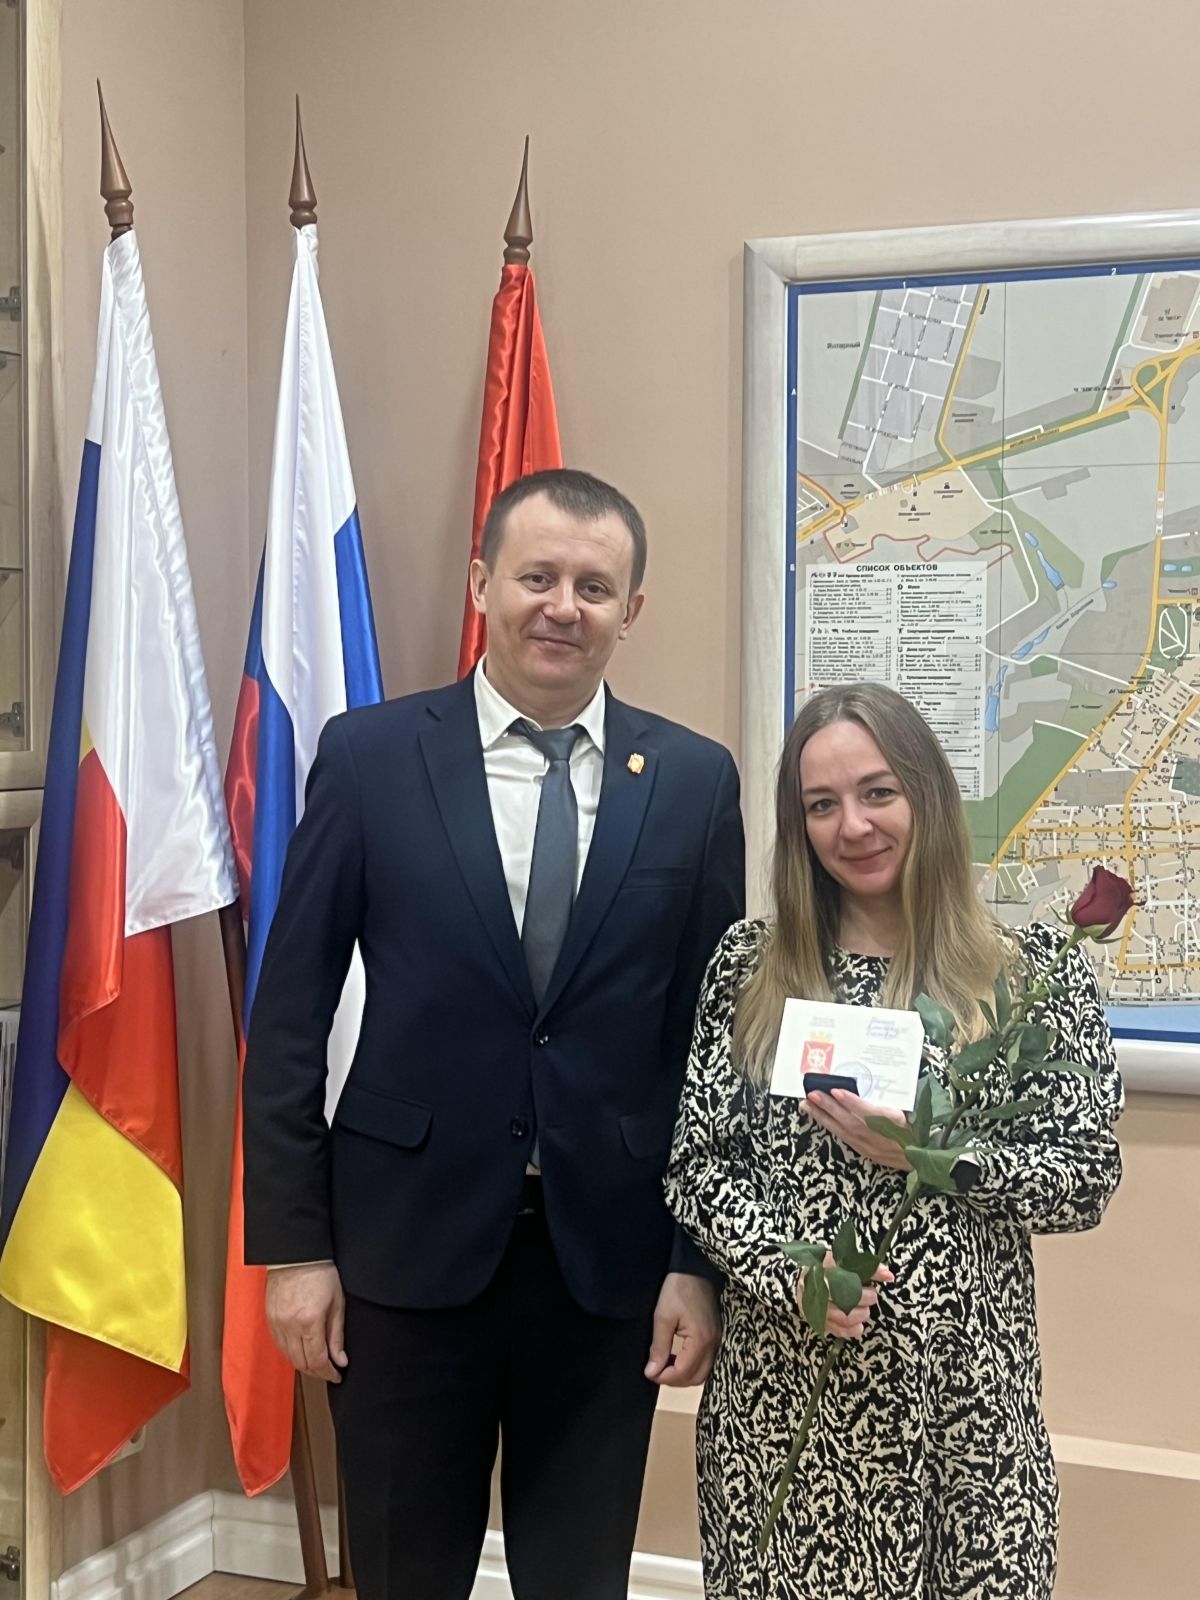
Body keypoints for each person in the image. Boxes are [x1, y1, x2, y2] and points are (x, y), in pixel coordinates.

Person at [241, 468, 745, 1600]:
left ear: (631, 610)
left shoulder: (693, 782)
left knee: (579, 1578)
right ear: (482, 584)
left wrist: (692, 1262)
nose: (563, 606)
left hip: (605, 1267)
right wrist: (295, 1250)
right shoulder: (370, 758)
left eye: (594, 586)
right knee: (404, 1573)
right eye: (537, 576)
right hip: (401, 1257)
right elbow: (289, 1019)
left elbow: (705, 1045)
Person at [664, 681, 1123, 1600]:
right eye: (821, 805)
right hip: (788, 1414)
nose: (854, 826)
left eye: (878, 792)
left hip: (967, 1420)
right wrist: (789, 1271)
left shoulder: (1028, 976)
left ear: (927, 794)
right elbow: (699, 1166)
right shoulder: (751, 969)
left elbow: (1084, 1176)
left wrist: (933, 1157)